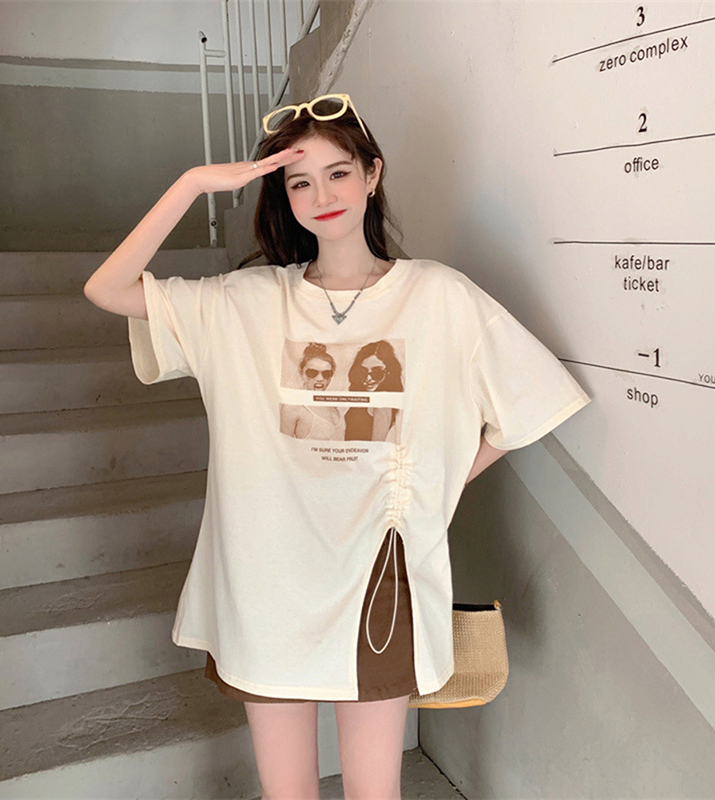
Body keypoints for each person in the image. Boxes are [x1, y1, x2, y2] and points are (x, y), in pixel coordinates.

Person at [83, 93, 591, 800]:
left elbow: (530, 403)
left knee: (373, 793)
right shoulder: (245, 302)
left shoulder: (439, 297)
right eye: (300, 181)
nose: (321, 196)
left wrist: (435, 485)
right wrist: (196, 183)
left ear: (372, 174)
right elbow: (106, 288)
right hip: (266, 583)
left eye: (338, 173)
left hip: (379, 581)